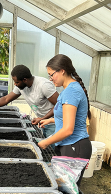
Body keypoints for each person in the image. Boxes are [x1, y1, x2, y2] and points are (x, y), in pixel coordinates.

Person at [38, 54, 92, 186]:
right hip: (69, 145)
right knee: (63, 187)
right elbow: (70, 119)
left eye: (52, 74)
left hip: (74, 146)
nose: (50, 79)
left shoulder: (71, 92)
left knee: (67, 190)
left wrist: (45, 142)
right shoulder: (69, 89)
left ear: (62, 70)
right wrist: (50, 121)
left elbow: (68, 129)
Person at [0, 64, 59, 139]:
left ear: (25, 80)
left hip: (54, 123)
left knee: (54, 150)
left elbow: (59, 105)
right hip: (43, 123)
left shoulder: (43, 86)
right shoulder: (21, 86)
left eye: (17, 82)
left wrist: (42, 118)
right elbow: (6, 99)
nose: (15, 84)